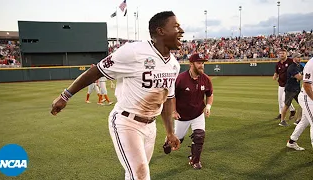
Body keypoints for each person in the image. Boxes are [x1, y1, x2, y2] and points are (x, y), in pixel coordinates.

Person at [51, 11, 184, 179]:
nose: (181, 31)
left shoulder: (174, 65)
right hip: (127, 122)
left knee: (133, 174)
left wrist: (170, 132)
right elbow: (97, 70)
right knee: (141, 176)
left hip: (151, 126)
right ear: (161, 31)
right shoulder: (133, 51)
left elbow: (167, 99)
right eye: (176, 26)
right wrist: (65, 96)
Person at [163, 53, 213, 170]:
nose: (202, 66)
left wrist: (208, 106)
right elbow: (172, 96)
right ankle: (167, 142)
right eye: (199, 63)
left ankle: (195, 160)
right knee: (177, 139)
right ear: (191, 64)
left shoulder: (205, 79)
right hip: (182, 116)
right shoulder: (181, 78)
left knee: (199, 136)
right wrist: (174, 111)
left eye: (203, 63)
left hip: (198, 113)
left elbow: (209, 94)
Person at [286, 57, 313, 150]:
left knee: (304, 121)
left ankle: (291, 141)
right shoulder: (311, 63)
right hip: (308, 97)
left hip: (309, 96)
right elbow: (307, 85)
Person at [279, 53, 303, 126]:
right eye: (298, 57)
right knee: (287, 105)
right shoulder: (292, 67)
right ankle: (282, 121)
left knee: (302, 104)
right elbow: (299, 77)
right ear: (294, 58)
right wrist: (307, 75)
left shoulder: (300, 66)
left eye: (300, 57)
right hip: (290, 89)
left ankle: (298, 120)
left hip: (297, 88)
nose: (299, 58)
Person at [273, 49, 296, 120]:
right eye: (280, 53)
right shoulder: (278, 63)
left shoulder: (290, 61)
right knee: (280, 100)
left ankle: (291, 111)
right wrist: (275, 76)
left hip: (289, 84)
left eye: (283, 53)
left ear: (286, 53)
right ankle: (282, 113)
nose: (281, 54)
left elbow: (296, 67)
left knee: (284, 100)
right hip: (281, 84)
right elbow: (276, 72)